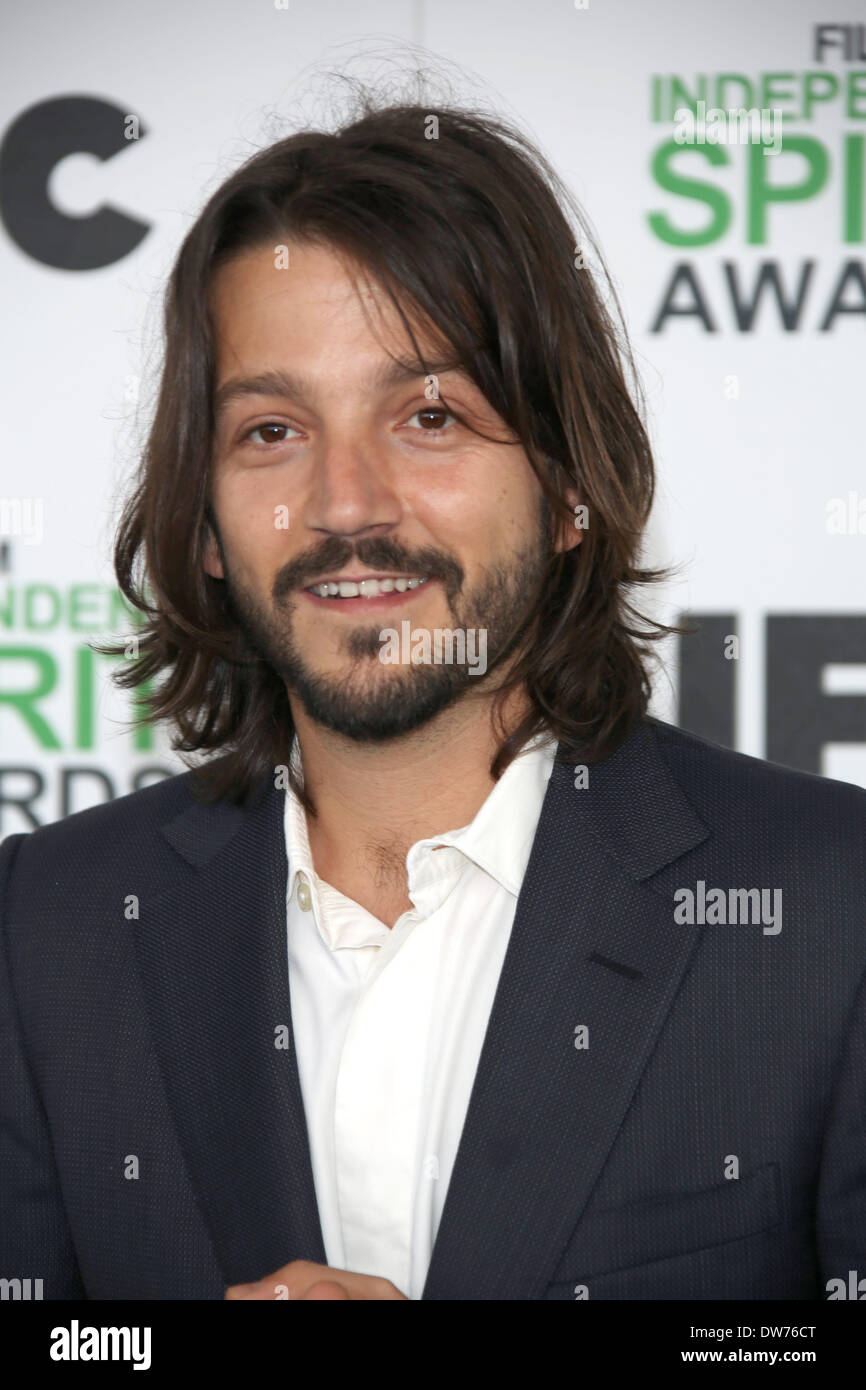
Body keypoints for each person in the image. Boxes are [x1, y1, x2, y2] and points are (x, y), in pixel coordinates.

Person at [1, 96, 864, 1302]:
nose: (345, 503)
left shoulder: (826, 911)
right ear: (200, 522)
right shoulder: (49, 931)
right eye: (269, 429)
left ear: (567, 484)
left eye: (427, 415)